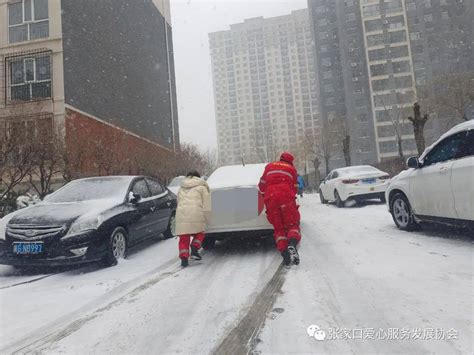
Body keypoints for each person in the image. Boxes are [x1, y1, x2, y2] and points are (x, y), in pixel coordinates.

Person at [258, 152, 301, 267]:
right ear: (290, 161)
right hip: (286, 196)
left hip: (270, 198)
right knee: (292, 224)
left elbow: (261, 184)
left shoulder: (270, 166)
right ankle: (292, 244)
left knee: (279, 228)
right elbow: (295, 188)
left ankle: (285, 254)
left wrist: (265, 195)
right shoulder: (291, 169)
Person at [175, 171, 211, 267]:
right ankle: (194, 247)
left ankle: (184, 259)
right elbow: (206, 205)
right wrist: (208, 218)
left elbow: (178, 201)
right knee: (200, 232)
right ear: (198, 177)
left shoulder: (181, 187)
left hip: (181, 213)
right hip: (196, 212)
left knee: (184, 237)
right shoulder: (202, 187)